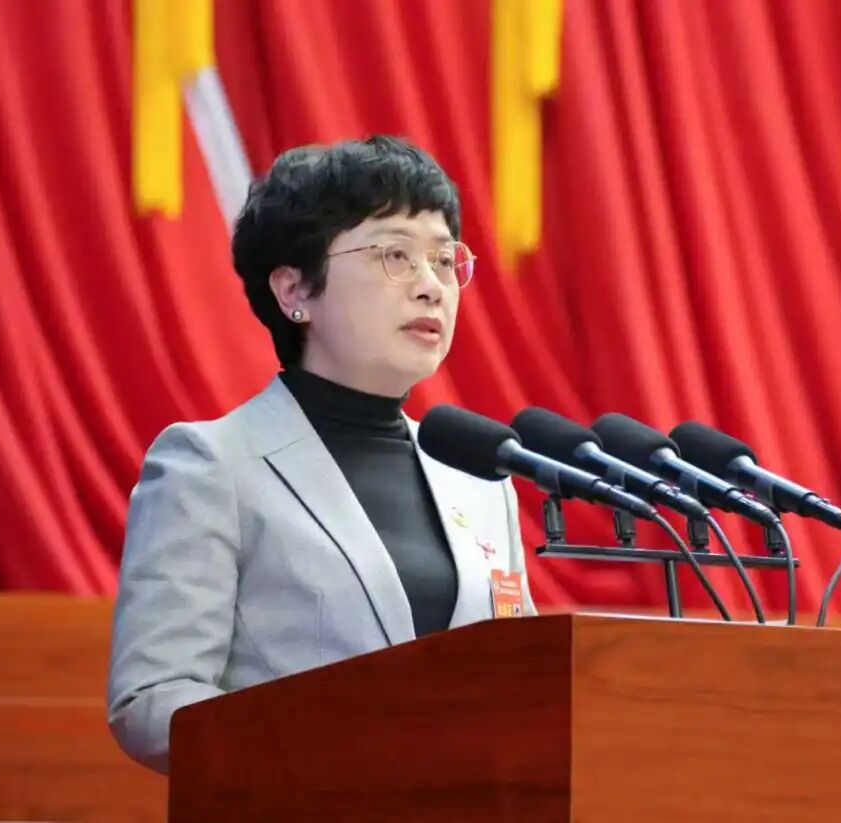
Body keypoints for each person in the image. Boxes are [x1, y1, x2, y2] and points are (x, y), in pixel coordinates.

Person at [106, 135, 535, 774]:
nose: (431, 287)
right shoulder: (212, 465)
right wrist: (342, 751)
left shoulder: (480, 476)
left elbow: (525, 686)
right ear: (294, 291)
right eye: (396, 255)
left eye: (445, 260)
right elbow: (151, 699)